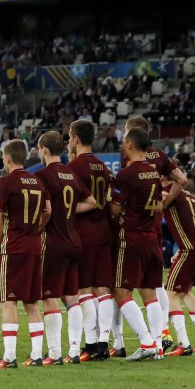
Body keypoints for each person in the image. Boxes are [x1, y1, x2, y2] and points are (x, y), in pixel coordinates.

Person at [122, 116, 189, 352]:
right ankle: (163, 333)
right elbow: (182, 179)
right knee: (154, 281)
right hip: (154, 224)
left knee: (124, 286)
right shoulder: (159, 156)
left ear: (132, 137)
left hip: (132, 227)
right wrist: (166, 202)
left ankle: (124, 340)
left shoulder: (129, 160)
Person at [0, 140, 52, 369]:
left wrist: (3, 240)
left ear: (7, 159)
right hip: (34, 246)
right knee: (32, 303)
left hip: (13, 247)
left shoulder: (5, 182)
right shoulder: (38, 181)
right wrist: (35, 230)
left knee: (8, 301)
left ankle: (10, 357)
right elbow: (48, 211)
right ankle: (36, 356)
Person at [36, 132, 97, 365]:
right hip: (74, 241)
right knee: (72, 298)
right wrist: (69, 212)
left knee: (49, 297)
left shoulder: (42, 175)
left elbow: (45, 210)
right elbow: (92, 202)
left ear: (43, 149)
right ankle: (73, 351)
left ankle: (53, 353)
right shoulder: (70, 173)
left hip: (53, 242)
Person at [109, 128, 165, 362]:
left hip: (130, 238)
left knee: (120, 291)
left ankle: (146, 341)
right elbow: (160, 206)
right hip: (151, 237)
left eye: (124, 142)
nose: (122, 146)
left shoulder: (127, 174)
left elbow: (115, 210)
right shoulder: (154, 173)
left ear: (131, 144)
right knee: (150, 293)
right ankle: (158, 345)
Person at [66, 119, 118, 360]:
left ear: (76, 139)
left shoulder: (75, 167)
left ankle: (91, 343)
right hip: (104, 230)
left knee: (84, 288)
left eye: (69, 136)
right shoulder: (103, 166)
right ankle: (104, 343)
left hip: (84, 232)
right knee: (103, 289)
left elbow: (70, 202)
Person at [162, 177, 195, 356]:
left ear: (162, 177)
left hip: (192, 250)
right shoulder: (188, 196)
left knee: (168, 293)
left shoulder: (171, 193)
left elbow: (156, 201)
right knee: (183, 291)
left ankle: (183, 344)